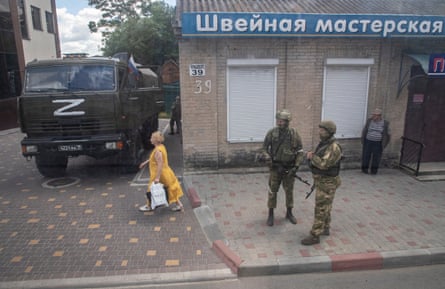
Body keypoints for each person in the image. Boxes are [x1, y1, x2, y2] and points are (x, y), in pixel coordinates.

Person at [260, 109, 304, 226]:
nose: (279, 123)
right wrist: (268, 159)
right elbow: (264, 148)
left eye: (282, 121)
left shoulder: (294, 134)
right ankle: (270, 214)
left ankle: (289, 213)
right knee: (272, 191)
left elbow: (300, 150)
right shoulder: (272, 133)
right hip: (275, 167)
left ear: (288, 121)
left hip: (289, 168)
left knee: (289, 191)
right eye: (278, 120)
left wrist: (296, 166)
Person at [301, 120, 342, 246]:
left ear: (329, 132)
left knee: (320, 208)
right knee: (326, 207)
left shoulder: (333, 147)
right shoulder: (325, 143)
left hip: (327, 182)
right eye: (320, 129)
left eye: (322, 130)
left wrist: (311, 157)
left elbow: (324, 164)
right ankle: (325, 227)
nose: (320, 132)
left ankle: (315, 235)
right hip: (323, 181)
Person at [138, 131, 184, 212]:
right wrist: (145, 162)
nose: (150, 139)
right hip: (166, 172)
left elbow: (160, 164)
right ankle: (179, 205)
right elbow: (154, 158)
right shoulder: (161, 147)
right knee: (170, 188)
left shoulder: (158, 151)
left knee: (150, 189)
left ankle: (149, 205)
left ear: (155, 140)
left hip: (159, 174)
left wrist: (157, 178)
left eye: (152, 138)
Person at [361, 108, 390, 175]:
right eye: (373, 115)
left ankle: (374, 171)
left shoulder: (385, 123)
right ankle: (364, 169)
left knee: (376, 157)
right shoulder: (369, 121)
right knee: (366, 155)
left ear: (379, 116)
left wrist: (385, 144)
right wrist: (363, 140)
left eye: (375, 115)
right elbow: (364, 130)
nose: (373, 116)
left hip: (378, 143)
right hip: (368, 141)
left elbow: (388, 134)